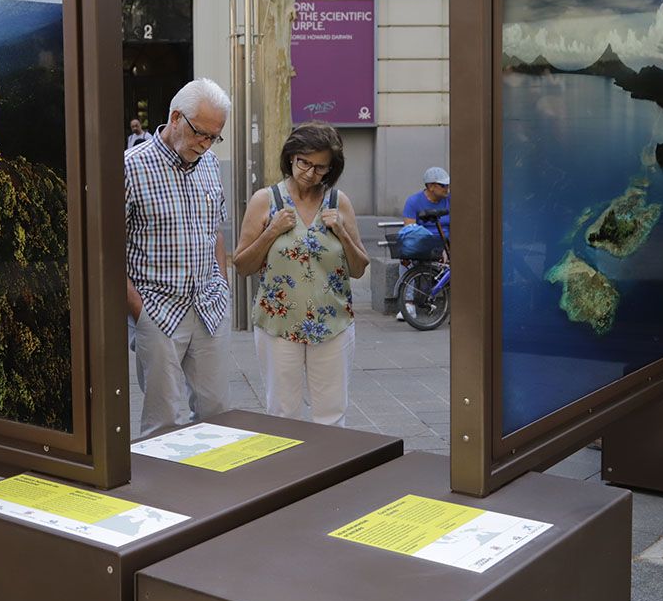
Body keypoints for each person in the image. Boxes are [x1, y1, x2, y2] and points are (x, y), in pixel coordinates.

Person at [233, 121, 370, 427]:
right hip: (278, 325)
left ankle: (331, 474)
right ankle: (289, 474)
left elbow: (359, 268)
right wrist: (271, 232)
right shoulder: (265, 201)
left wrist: (342, 233)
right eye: (304, 162)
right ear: (291, 156)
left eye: (320, 167)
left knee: (332, 416)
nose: (310, 173)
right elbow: (242, 265)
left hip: (332, 325)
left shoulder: (338, 202)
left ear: (331, 169)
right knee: (283, 415)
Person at [125, 78, 232, 437]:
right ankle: (166, 494)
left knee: (217, 414)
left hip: (209, 305)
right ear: (175, 118)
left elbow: (216, 227)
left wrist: (222, 282)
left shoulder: (211, 163)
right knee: (164, 424)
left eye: (214, 137)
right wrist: (140, 312)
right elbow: (106, 248)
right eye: (201, 133)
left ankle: (215, 492)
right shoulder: (130, 166)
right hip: (157, 309)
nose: (205, 144)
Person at [396, 166, 451, 320]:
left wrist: (446, 247)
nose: (447, 188)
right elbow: (410, 230)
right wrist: (433, 246)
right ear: (431, 186)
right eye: (443, 185)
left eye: (447, 185)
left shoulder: (450, 200)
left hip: (447, 242)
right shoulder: (414, 201)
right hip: (422, 243)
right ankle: (409, 304)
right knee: (406, 261)